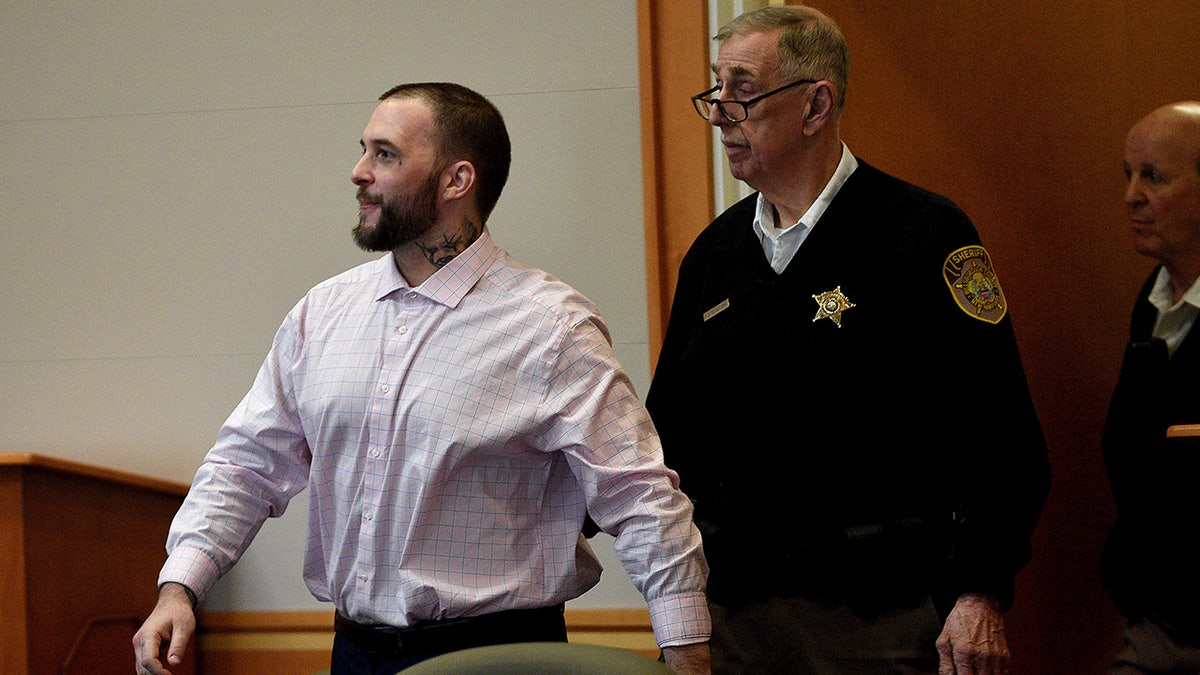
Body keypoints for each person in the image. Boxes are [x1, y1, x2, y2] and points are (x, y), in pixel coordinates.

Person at [132, 82, 711, 675]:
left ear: (456, 181)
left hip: (503, 657)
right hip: (354, 653)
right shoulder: (321, 315)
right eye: (364, 150)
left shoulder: (550, 327)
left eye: (385, 155)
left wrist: (685, 650)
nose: (358, 172)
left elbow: (641, 498)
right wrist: (180, 585)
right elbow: (246, 464)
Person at [643, 6, 1051, 674]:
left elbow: (1002, 434)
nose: (718, 114)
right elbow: (666, 438)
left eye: (742, 93)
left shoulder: (922, 233)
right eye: (716, 91)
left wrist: (981, 590)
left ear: (815, 106)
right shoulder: (714, 256)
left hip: (879, 617)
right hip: (733, 619)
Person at [1102, 100, 1200, 673]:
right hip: (1160, 616)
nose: (1131, 196)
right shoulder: (1154, 298)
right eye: (1128, 174)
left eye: (1154, 177)